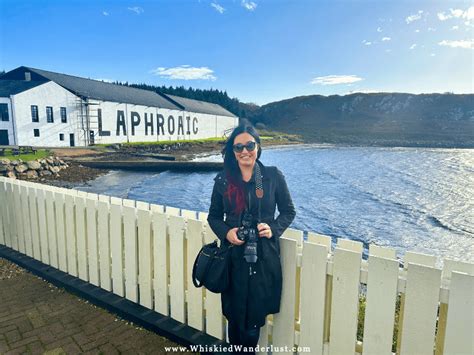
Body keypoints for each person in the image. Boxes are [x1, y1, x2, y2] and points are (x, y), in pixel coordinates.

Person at [207, 122, 296, 353]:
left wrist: (273, 229)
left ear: (258, 146)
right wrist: (227, 232)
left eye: (249, 145)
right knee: (235, 318)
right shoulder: (224, 179)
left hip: (263, 257)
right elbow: (214, 217)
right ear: (232, 151)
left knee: (254, 320)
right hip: (233, 257)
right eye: (238, 147)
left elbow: (288, 211)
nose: (245, 151)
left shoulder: (272, 176)